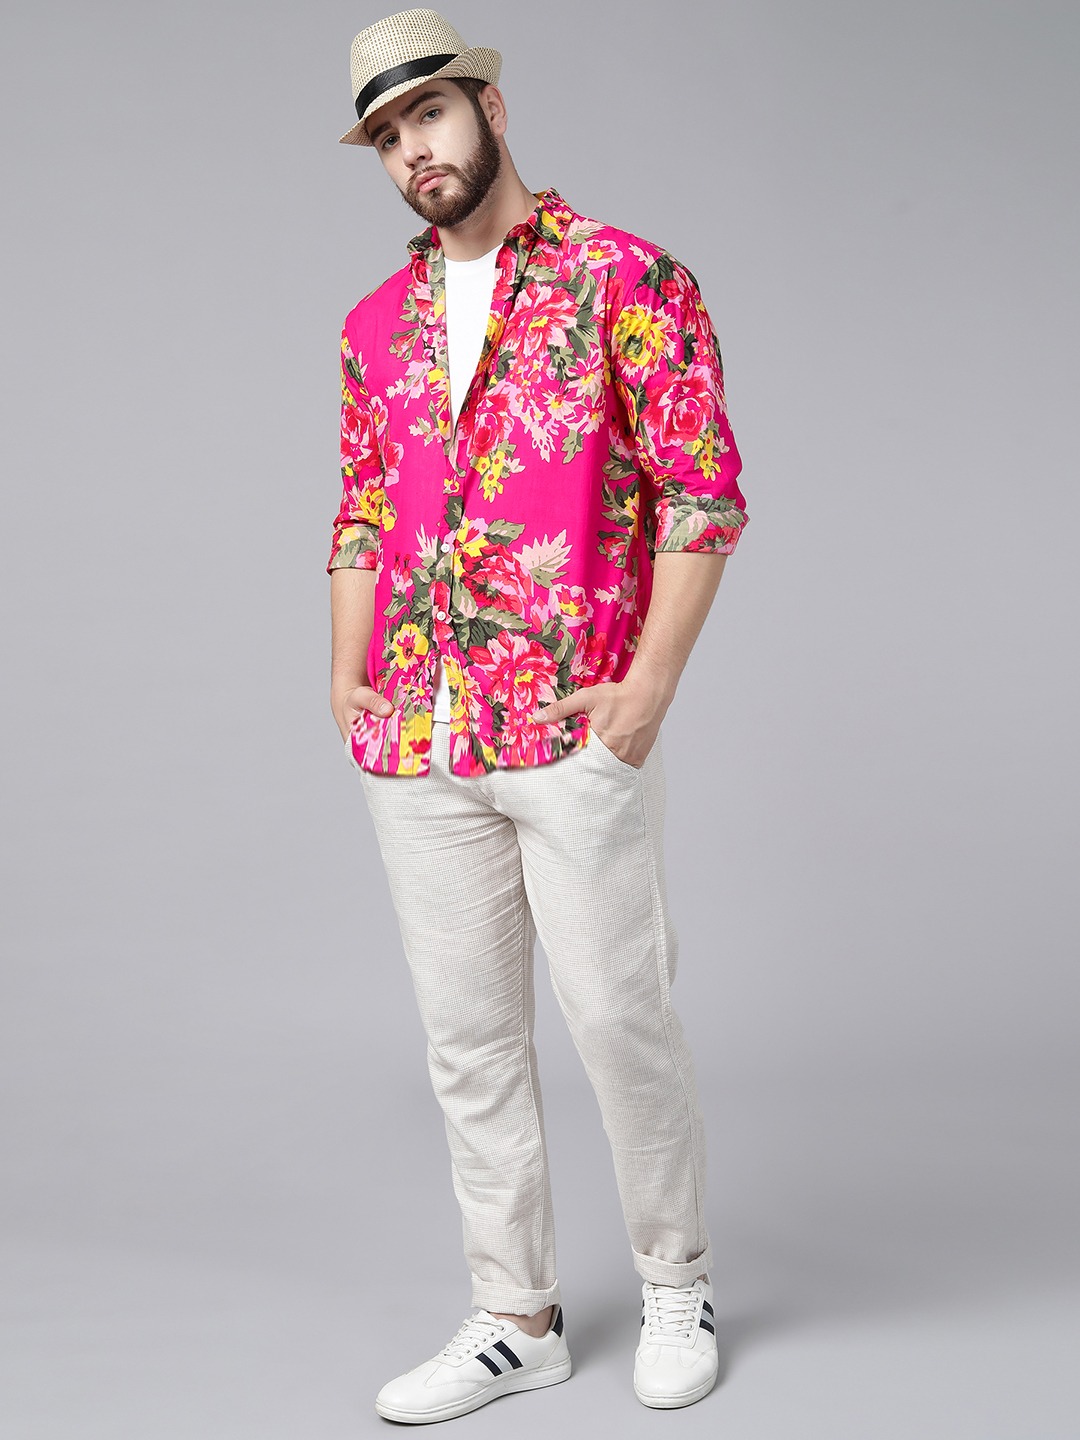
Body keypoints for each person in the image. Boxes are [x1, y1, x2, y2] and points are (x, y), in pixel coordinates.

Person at [327, 8, 748, 1423]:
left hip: (573, 726)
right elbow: (361, 512)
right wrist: (346, 672)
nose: (414, 153)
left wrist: (650, 689)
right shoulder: (373, 327)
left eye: (429, 117)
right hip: (419, 737)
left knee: (620, 1015)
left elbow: (702, 495)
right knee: (467, 1043)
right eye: (388, 138)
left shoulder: (627, 278)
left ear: (490, 111)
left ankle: (678, 1278)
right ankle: (516, 1316)